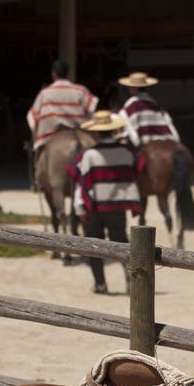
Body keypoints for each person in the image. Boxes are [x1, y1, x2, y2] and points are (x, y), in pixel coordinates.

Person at [66, 110, 143, 294]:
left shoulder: (90, 155)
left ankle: (101, 284)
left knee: (95, 246)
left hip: (96, 209)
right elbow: (137, 168)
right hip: (117, 208)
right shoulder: (126, 152)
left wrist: (80, 209)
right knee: (122, 244)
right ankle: (130, 280)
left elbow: (82, 183)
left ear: (96, 132)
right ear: (114, 131)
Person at [26, 59, 98, 154]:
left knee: (40, 166)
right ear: (67, 74)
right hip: (80, 136)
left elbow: (32, 118)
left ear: (54, 74)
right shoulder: (81, 90)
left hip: (50, 137)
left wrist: (36, 140)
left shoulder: (44, 94)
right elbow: (92, 111)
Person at [117, 71, 180, 148]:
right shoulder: (155, 104)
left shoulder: (130, 105)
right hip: (165, 142)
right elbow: (168, 123)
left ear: (134, 88)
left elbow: (125, 124)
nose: (129, 89)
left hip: (143, 144)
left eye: (130, 87)